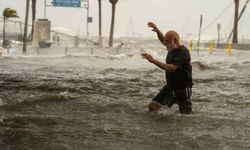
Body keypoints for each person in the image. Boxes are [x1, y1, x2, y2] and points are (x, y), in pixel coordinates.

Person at [141, 22, 193, 114]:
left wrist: (152, 60)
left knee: (185, 117)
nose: (165, 44)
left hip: (183, 89)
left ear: (176, 41)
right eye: (165, 42)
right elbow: (163, 40)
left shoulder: (183, 52)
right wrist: (157, 31)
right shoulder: (171, 47)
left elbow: (172, 68)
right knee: (152, 107)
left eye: (167, 42)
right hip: (170, 87)